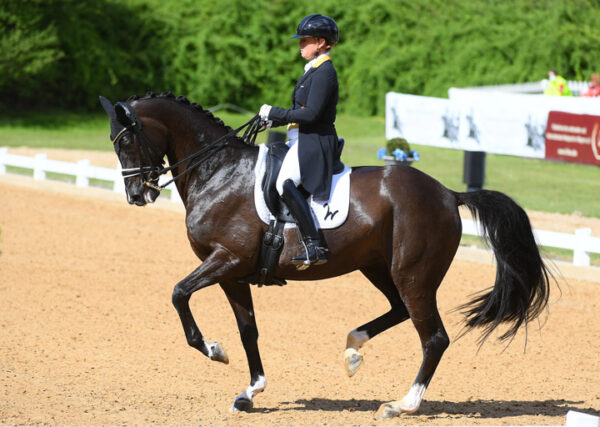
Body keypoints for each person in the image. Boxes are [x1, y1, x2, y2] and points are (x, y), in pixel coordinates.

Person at [258, 13, 344, 269]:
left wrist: (276, 113)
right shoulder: (313, 71)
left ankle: (314, 244)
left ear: (321, 42)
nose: (300, 45)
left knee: (285, 184)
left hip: (314, 141)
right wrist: (274, 120)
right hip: (302, 138)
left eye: (304, 41)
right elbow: (301, 112)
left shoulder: (324, 72)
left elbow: (312, 113)